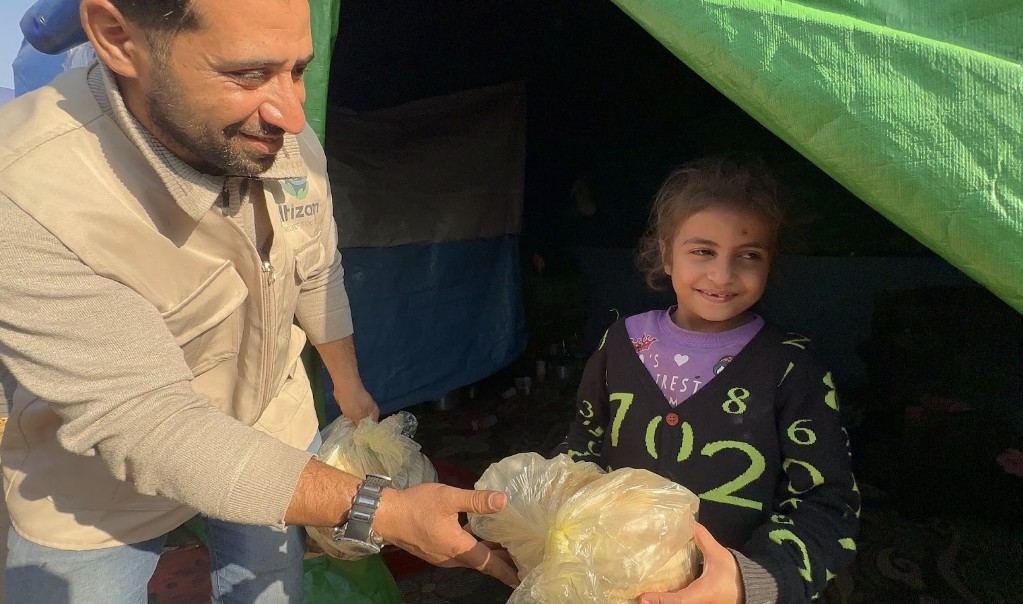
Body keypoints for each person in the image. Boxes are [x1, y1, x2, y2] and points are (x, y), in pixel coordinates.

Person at [0, 0, 518, 601]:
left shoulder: (281, 138)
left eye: (298, 69)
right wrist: (383, 509)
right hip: (96, 488)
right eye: (248, 74)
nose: (293, 116)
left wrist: (349, 387)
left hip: (269, 430)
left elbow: (316, 269)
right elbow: (149, 424)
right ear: (119, 38)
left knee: (269, 592)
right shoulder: (26, 194)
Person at [553, 157, 860, 603]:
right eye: (702, 251)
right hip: (612, 585)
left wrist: (747, 581)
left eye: (749, 255)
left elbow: (828, 504)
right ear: (666, 254)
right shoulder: (620, 343)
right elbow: (582, 446)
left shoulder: (793, 366)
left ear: (770, 263)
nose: (722, 275)